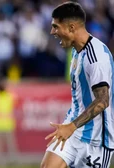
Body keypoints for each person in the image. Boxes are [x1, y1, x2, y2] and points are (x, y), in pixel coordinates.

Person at [41, 2, 114, 168]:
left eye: (56, 27)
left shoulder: (97, 57)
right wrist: (71, 126)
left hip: (96, 140)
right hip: (72, 128)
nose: (52, 32)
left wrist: (72, 126)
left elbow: (103, 101)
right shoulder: (75, 50)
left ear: (72, 27)